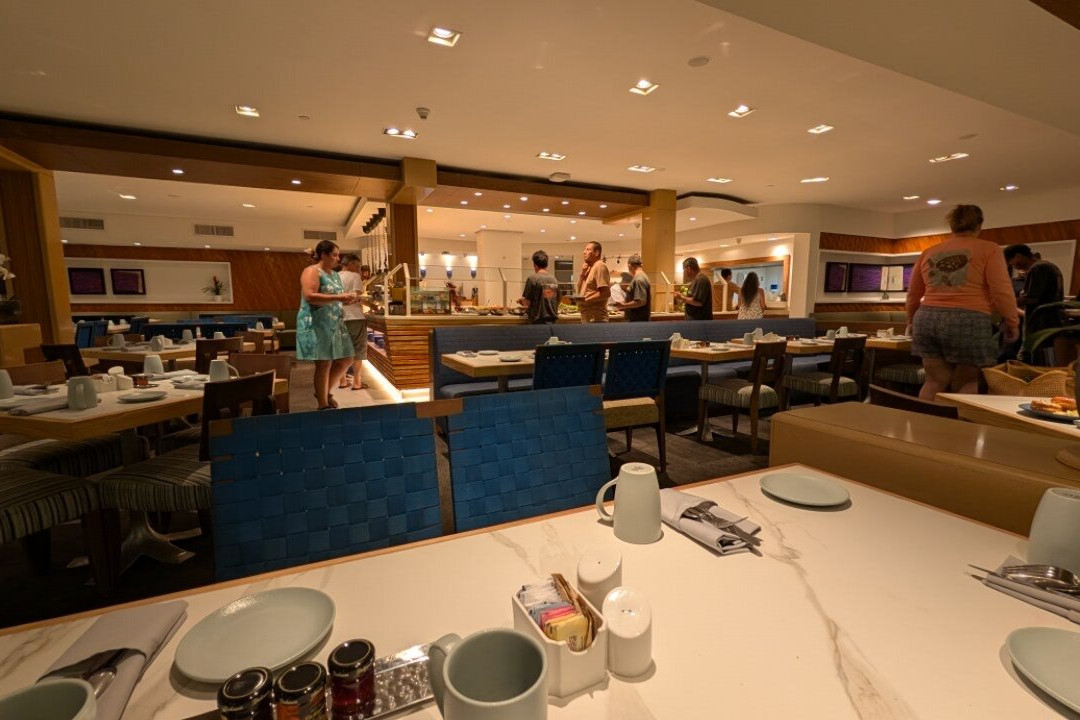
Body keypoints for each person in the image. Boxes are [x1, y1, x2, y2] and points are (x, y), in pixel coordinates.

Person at [906, 204, 1019, 399]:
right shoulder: (989, 249)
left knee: (933, 381)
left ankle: (923, 418)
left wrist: (910, 320)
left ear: (951, 226)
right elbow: (1001, 290)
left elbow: (913, 295)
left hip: (927, 318)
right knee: (966, 382)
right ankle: (959, 420)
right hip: (969, 319)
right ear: (979, 224)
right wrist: (1012, 321)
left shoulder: (930, 251)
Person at [296, 240, 358, 409]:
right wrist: (339, 297)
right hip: (317, 322)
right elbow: (309, 296)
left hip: (334, 321)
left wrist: (347, 299)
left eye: (338, 255)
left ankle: (323, 392)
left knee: (347, 358)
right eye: (334, 255)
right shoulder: (311, 271)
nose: (338, 258)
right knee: (324, 363)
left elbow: (335, 297)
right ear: (323, 255)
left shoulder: (335, 275)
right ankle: (323, 405)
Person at [1004, 244, 1065, 347]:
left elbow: (1032, 298)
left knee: (1036, 352)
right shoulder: (1049, 265)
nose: (1012, 265)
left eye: (1011, 261)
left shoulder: (1037, 268)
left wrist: (1007, 303)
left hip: (1041, 322)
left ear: (1018, 256)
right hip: (1051, 319)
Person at [337, 254, 369, 390]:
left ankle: (342, 381)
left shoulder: (334, 277)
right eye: (358, 266)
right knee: (357, 351)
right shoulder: (355, 276)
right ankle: (357, 382)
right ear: (351, 264)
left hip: (339, 317)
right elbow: (356, 296)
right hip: (355, 317)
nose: (358, 269)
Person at [518, 250, 559, 324]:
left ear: (535, 265)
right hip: (552, 321)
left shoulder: (532, 279)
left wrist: (521, 301)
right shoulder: (554, 279)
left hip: (537, 322)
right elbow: (556, 300)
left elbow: (527, 303)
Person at [576, 241, 611, 323]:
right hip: (588, 318)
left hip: (597, 319)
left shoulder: (600, 266)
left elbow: (606, 293)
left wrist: (584, 300)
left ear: (596, 253)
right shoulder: (589, 268)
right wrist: (582, 274)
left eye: (588, 249)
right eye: (585, 249)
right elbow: (579, 290)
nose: (584, 252)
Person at [618, 254, 651, 322]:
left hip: (636, 321)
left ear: (629, 266)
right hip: (638, 321)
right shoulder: (641, 277)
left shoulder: (639, 279)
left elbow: (640, 301)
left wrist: (624, 305)